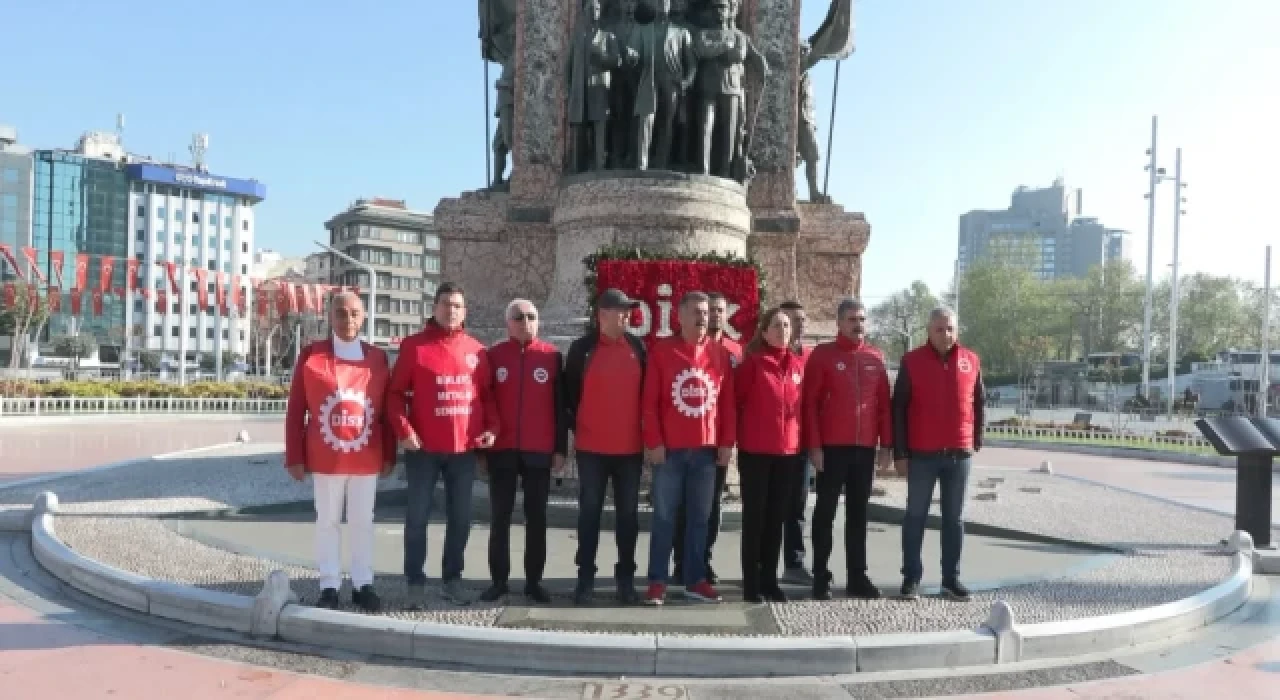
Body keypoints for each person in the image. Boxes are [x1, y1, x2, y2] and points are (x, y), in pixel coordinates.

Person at [388, 282, 499, 607]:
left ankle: (452, 579)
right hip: (423, 451)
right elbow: (394, 396)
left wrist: (492, 429)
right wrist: (404, 430)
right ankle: (415, 583)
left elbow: (487, 398)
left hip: (463, 451)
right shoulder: (414, 347)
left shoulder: (477, 351)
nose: (451, 310)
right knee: (417, 517)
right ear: (435, 308)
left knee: (461, 519)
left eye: (458, 306)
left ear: (465, 312)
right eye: (446, 304)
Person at [284, 291, 397, 612]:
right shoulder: (312, 356)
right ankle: (329, 584)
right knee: (328, 521)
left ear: (363, 317)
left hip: (366, 455)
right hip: (325, 456)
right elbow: (296, 411)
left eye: (354, 314)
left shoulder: (377, 358)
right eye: (341, 313)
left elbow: (385, 412)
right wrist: (294, 456)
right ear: (330, 316)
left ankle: (363, 583)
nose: (348, 320)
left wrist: (389, 453)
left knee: (363, 521)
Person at [643, 291, 736, 605]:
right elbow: (650, 403)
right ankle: (658, 581)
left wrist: (726, 443)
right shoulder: (662, 351)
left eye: (707, 312)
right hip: (670, 450)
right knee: (665, 517)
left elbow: (727, 403)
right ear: (679, 316)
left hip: (707, 451)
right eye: (696, 312)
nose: (703, 318)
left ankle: (695, 580)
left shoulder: (719, 354)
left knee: (701, 517)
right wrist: (654, 442)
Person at [802, 298, 892, 600]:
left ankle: (857, 576)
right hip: (831, 448)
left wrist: (885, 446)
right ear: (839, 323)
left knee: (858, 514)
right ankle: (820, 575)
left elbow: (883, 408)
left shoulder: (875, 358)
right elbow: (810, 405)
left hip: (864, 449)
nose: (858, 325)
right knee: (825, 512)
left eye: (862, 319)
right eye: (852, 319)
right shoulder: (823, 356)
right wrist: (814, 445)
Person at [893, 307, 985, 602]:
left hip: (959, 454)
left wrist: (976, 440)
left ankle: (951, 579)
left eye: (950, 329)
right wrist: (901, 451)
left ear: (957, 331)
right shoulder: (912, 362)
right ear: (928, 332)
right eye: (939, 329)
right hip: (922, 454)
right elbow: (899, 408)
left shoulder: (971, 361)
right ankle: (910, 578)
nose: (945, 334)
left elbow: (980, 402)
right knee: (915, 516)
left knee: (954, 519)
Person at [564, 288, 648, 605]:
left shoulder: (637, 347)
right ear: (602, 315)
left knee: (628, 518)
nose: (627, 316)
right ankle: (585, 579)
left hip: (629, 451)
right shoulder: (582, 350)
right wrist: (578, 427)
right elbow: (569, 394)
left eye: (628, 311)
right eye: (621, 311)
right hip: (592, 450)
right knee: (589, 515)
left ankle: (625, 579)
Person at [480, 299, 567, 604]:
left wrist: (560, 449)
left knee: (537, 518)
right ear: (508, 322)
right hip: (502, 448)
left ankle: (533, 581)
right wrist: (483, 449)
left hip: (538, 449)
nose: (525, 321)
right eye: (519, 317)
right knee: (500, 517)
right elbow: (483, 401)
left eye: (531, 317)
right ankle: (499, 580)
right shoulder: (493, 356)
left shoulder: (552, 357)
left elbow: (560, 408)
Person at [734, 307, 805, 603]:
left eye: (787, 326)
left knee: (776, 519)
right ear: (764, 333)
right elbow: (736, 402)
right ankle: (751, 583)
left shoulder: (799, 366)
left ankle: (770, 580)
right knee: (755, 520)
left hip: (787, 453)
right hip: (756, 453)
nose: (783, 331)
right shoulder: (753, 365)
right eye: (776, 326)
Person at [672, 291, 740, 584]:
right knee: (681, 506)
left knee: (710, 506)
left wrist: (728, 441)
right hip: (686, 441)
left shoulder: (734, 351)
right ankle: (680, 562)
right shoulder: (683, 347)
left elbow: (734, 400)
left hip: (716, 444)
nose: (714, 315)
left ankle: (702, 559)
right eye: (710, 310)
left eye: (720, 311)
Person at [779, 300, 815, 585]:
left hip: (801, 444)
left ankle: (794, 563)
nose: (799, 324)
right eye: (793, 319)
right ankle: (759, 564)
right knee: (769, 508)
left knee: (797, 508)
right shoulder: (764, 356)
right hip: (771, 446)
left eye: (802, 319)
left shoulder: (811, 357)